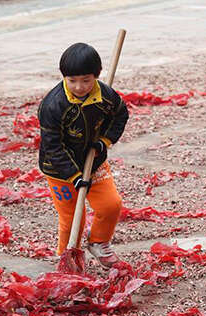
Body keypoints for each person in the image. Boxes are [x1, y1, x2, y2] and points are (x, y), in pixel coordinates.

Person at [38, 42, 129, 267]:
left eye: (86, 80)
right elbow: (52, 145)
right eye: (73, 80)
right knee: (72, 221)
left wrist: (104, 141)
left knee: (111, 205)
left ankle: (99, 242)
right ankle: (68, 257)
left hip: (94, 162)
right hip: (59, 170)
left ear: (96, 76)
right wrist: (74, 176)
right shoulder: (53, 105)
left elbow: (120, 116)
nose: (79, 87)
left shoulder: (106, 96)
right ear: (64, 77)